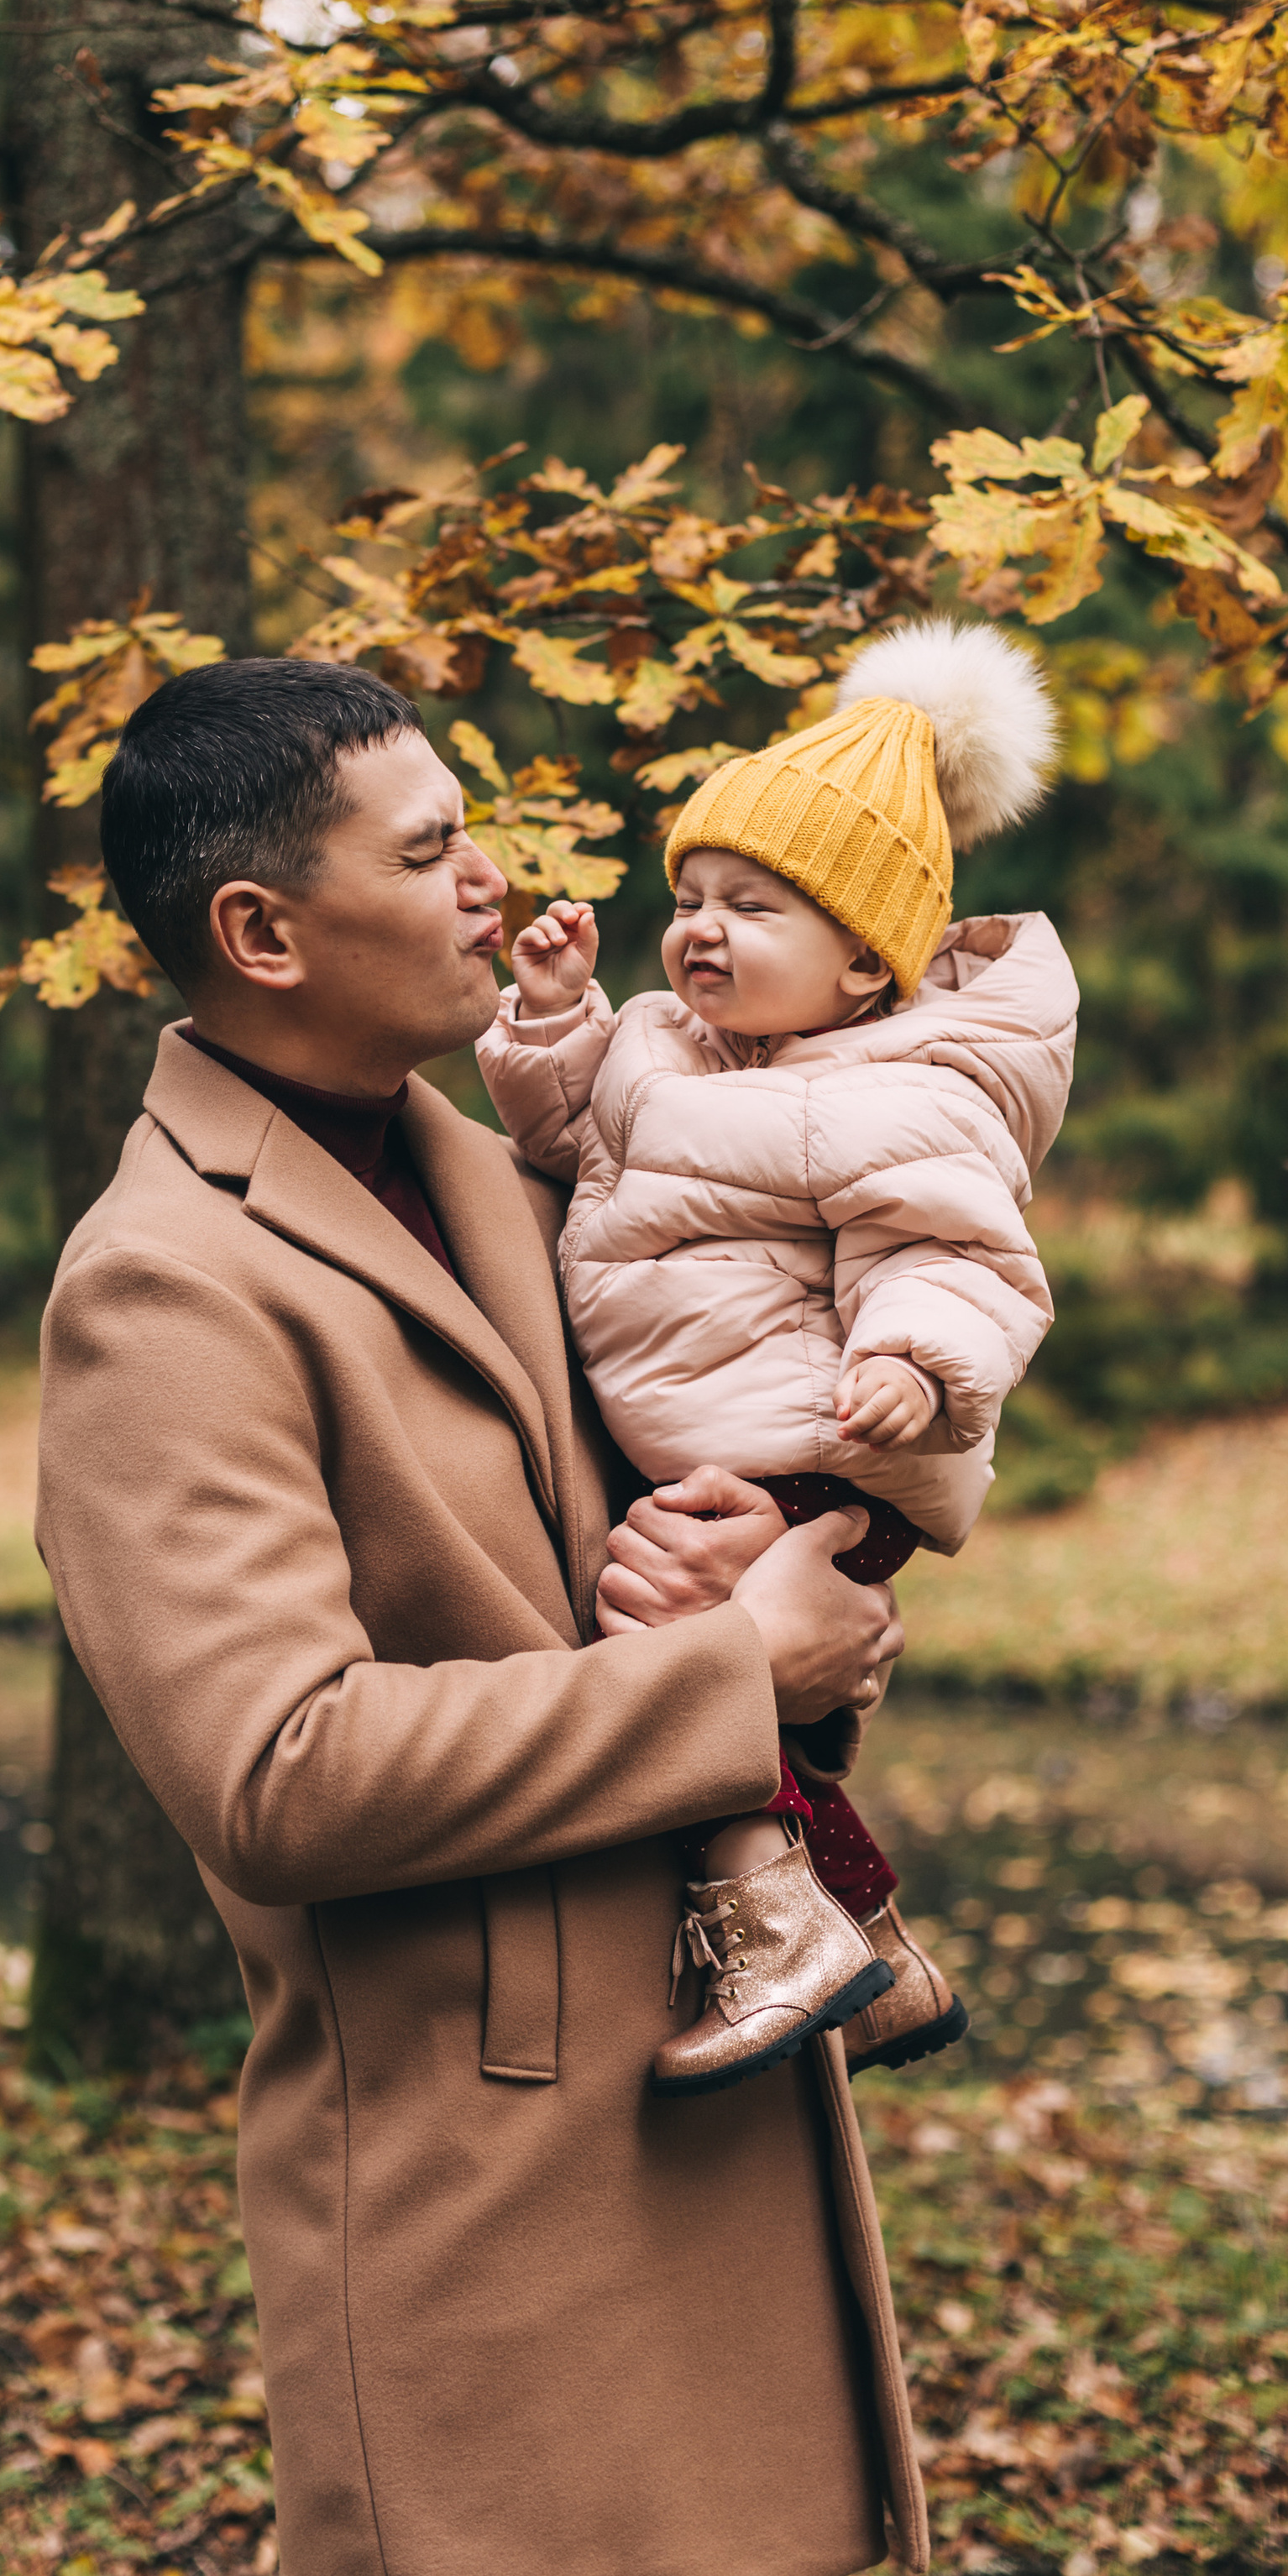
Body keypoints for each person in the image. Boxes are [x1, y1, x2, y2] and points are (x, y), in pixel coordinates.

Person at [34, 658, 925, 2576]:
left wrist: (780, 1593)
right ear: (260, 933)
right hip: (468, 2191)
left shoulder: (520, 1164)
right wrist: (733, 1683)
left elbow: (632, 1567)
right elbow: (277, 1773)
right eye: (426, 849)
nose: (487, 878)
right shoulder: (161, 1283)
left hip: (676, 2102)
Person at [476, 620, 1077, 2099]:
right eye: (691, 896)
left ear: (867, 963)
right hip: (719, 1430)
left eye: (755, 904)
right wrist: (557, 1016)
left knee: (675, 1655)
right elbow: (568, 1139)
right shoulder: (666, 1048)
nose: (701, 930)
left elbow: (959, 1255)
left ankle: (776, 1931)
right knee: (710, 1664)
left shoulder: (898, 1089)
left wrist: (920, 1368)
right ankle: (873, 1944)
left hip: (826, 1439)